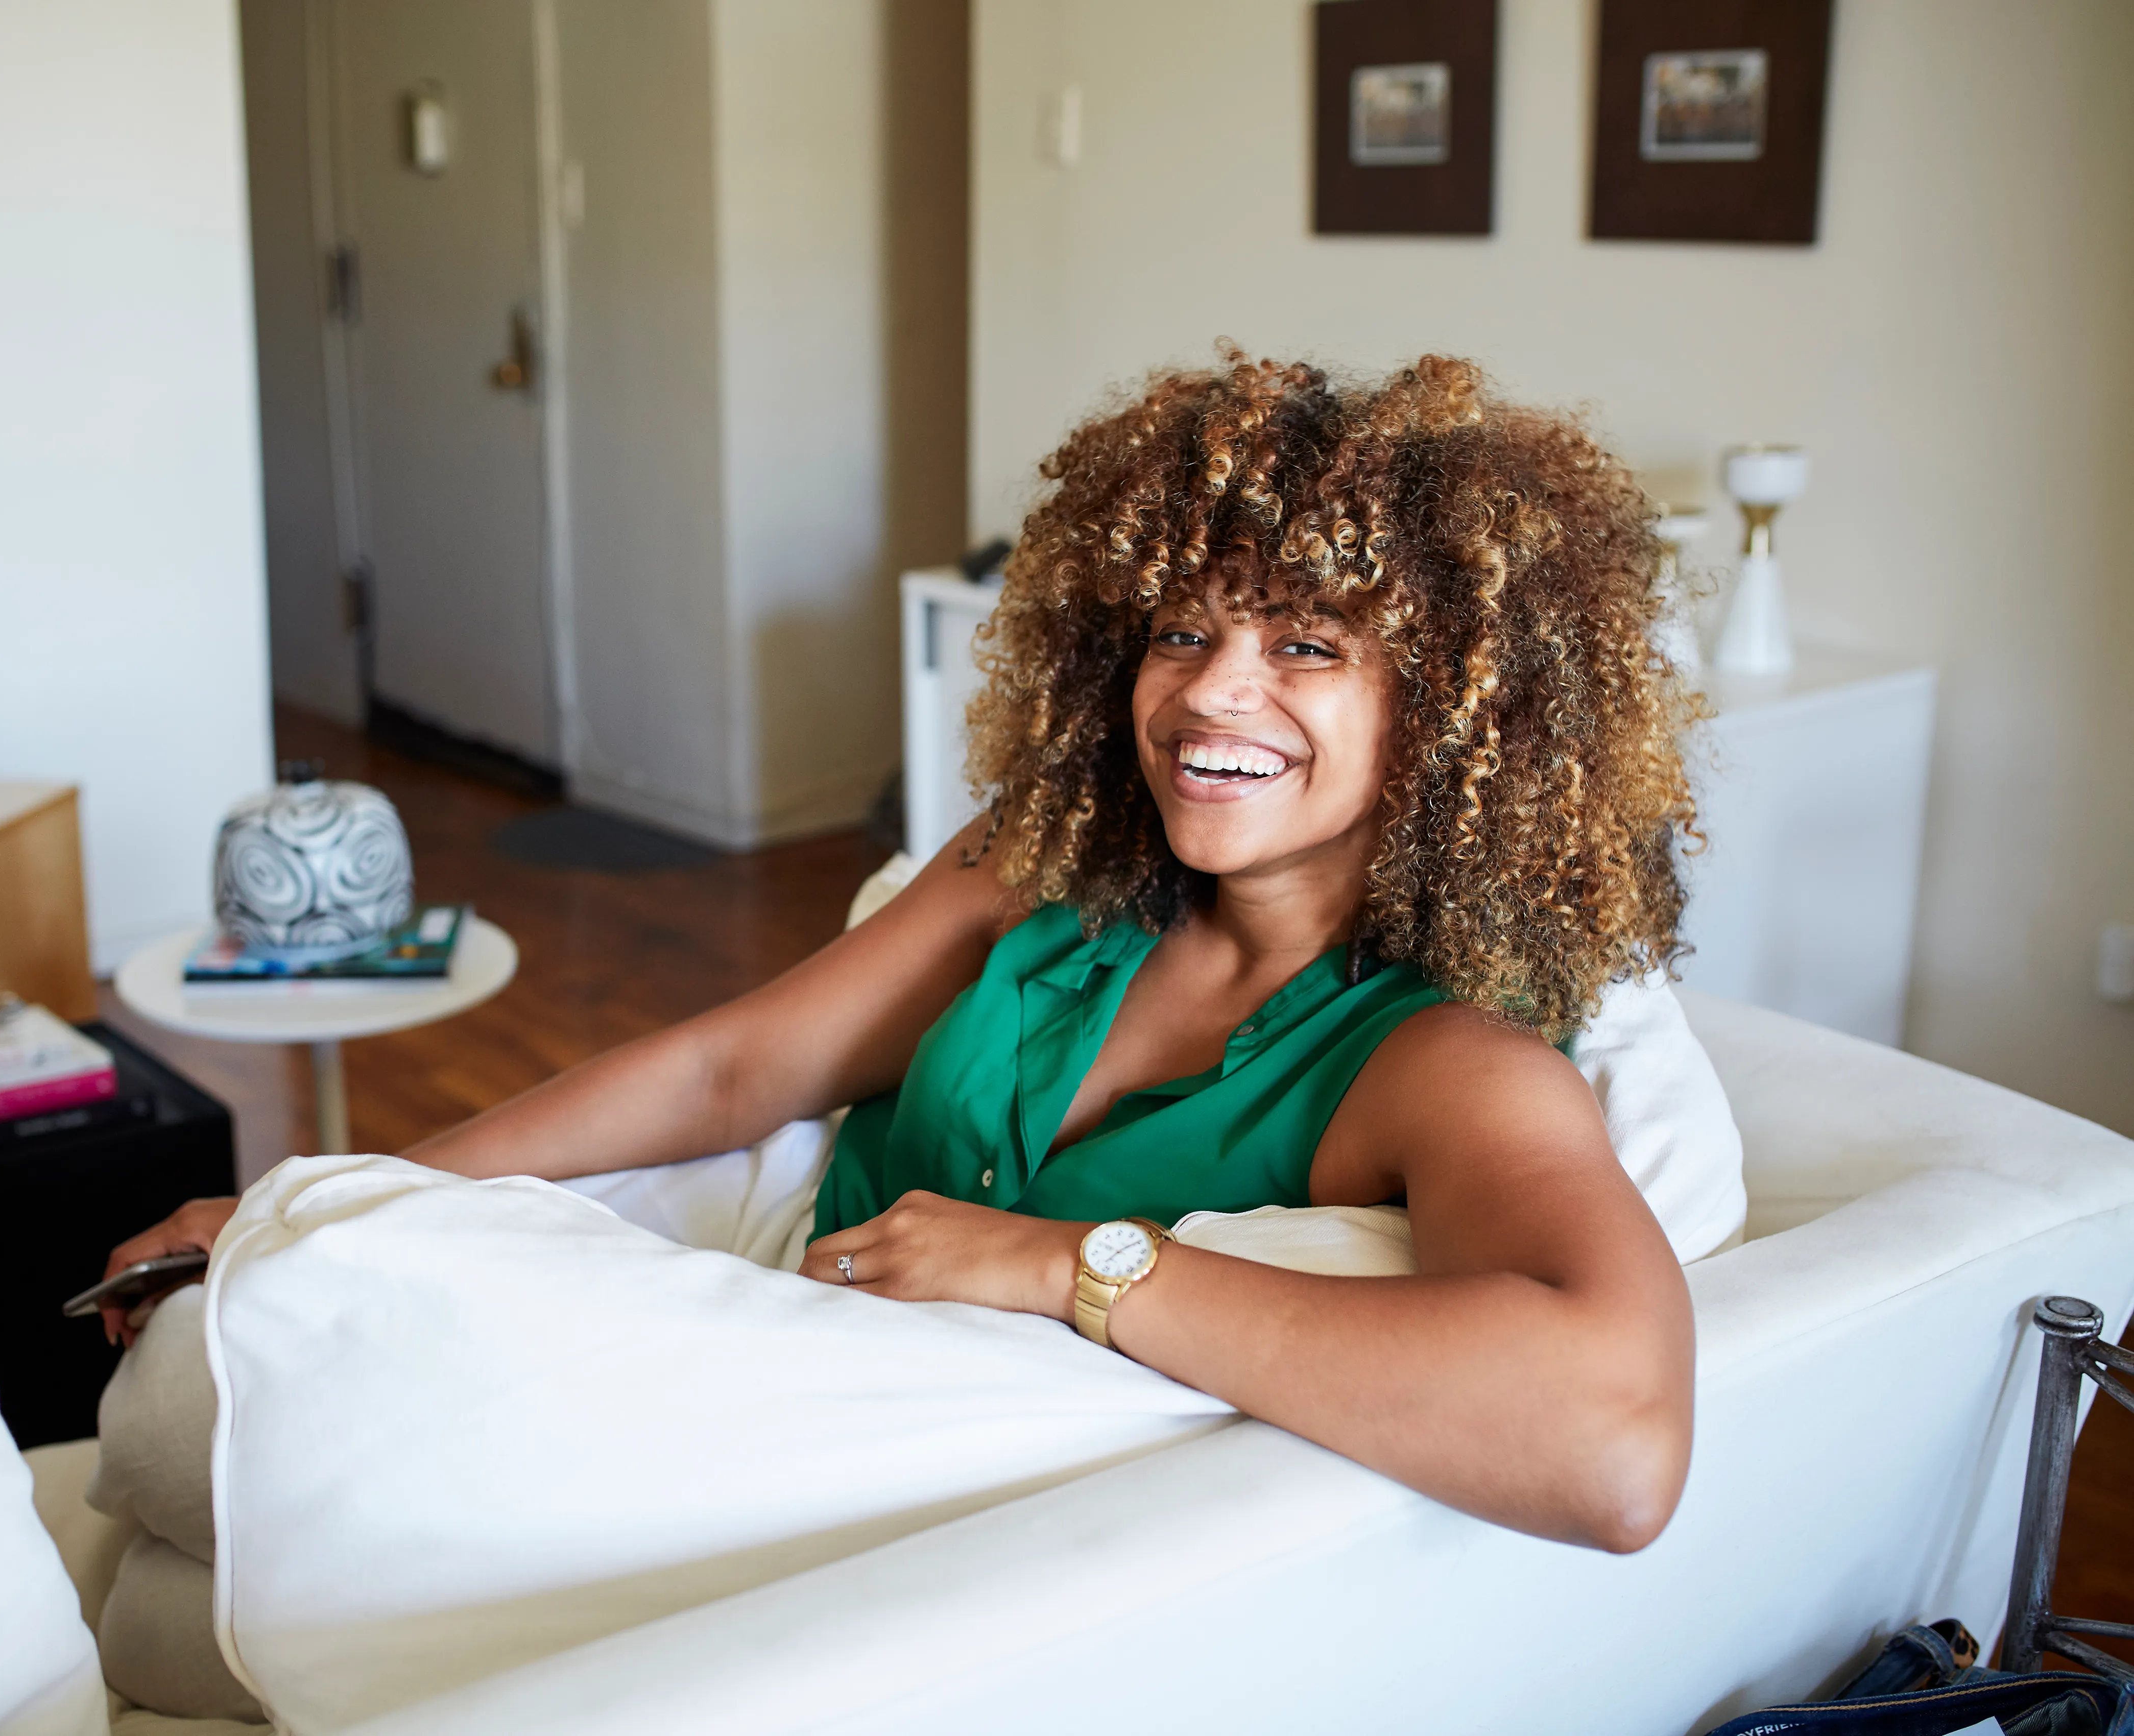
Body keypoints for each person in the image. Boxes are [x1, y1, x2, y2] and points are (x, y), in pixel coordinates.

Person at [101, 352, 1704, 1554]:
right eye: (1179, 629)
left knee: (194, 1440)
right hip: (719, 1339)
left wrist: (1064, 1265)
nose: (1212, 693)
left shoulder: (1441, 1064)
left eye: (1303, 646)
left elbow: (1617, 1450)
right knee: (195, 1446)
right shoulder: (1056, 866)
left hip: (856, 1495)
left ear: (1451, 718)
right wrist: (324, 1197)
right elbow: (735, 1067)